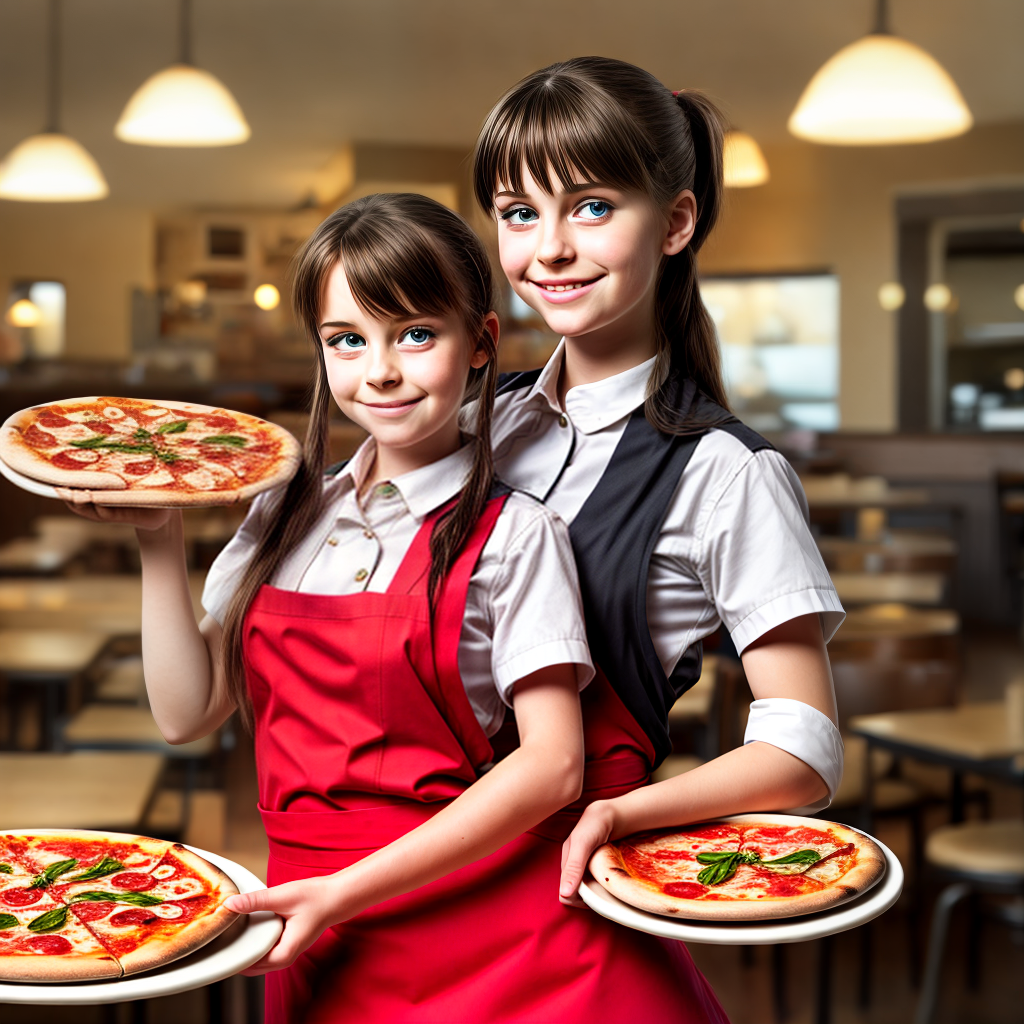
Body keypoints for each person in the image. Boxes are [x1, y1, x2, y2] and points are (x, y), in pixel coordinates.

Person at [59, 193, 725, 1023]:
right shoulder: (282, 513)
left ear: (480, 343)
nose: (379, 369)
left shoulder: (516, 535)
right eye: (347, 340)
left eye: (416, 333)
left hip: (502, 943)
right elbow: (186, 711)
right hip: (317, 927)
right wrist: (159, 539)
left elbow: (554, 767)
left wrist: (341, 892)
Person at [472, 57, 846, 915]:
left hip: (565, 881)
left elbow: (806, 750)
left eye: (592, 207)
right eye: (520, 214)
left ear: (676, 223)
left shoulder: (726, 473)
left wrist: (622, 813)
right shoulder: (468, 424)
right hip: (395, 863)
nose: (551, 248)